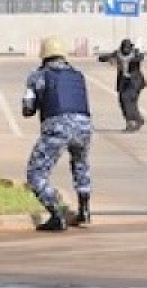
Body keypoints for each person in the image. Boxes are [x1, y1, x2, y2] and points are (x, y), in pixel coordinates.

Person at [23, 36, 93, 232]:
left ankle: (56, 214)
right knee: (81, 165)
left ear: (43, 55)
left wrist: (35, 98)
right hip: (84, 127)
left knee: (36, 174)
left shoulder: (38, 76)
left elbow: (27, 110)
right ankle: (85, 210)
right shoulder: (77, 75)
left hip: (57, 127)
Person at [97, 38, 147, 132]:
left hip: (134, 82)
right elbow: (103, 58)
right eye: (124, 49)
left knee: (128, 99)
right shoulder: (118, 54)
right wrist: (108, 59)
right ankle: (136, 119)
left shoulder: (135, 53)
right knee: (122, 101)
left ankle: (132, 122)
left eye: (128, 48)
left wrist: (134, 59)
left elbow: (140, 57)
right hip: (123, 82)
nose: (126, 51)